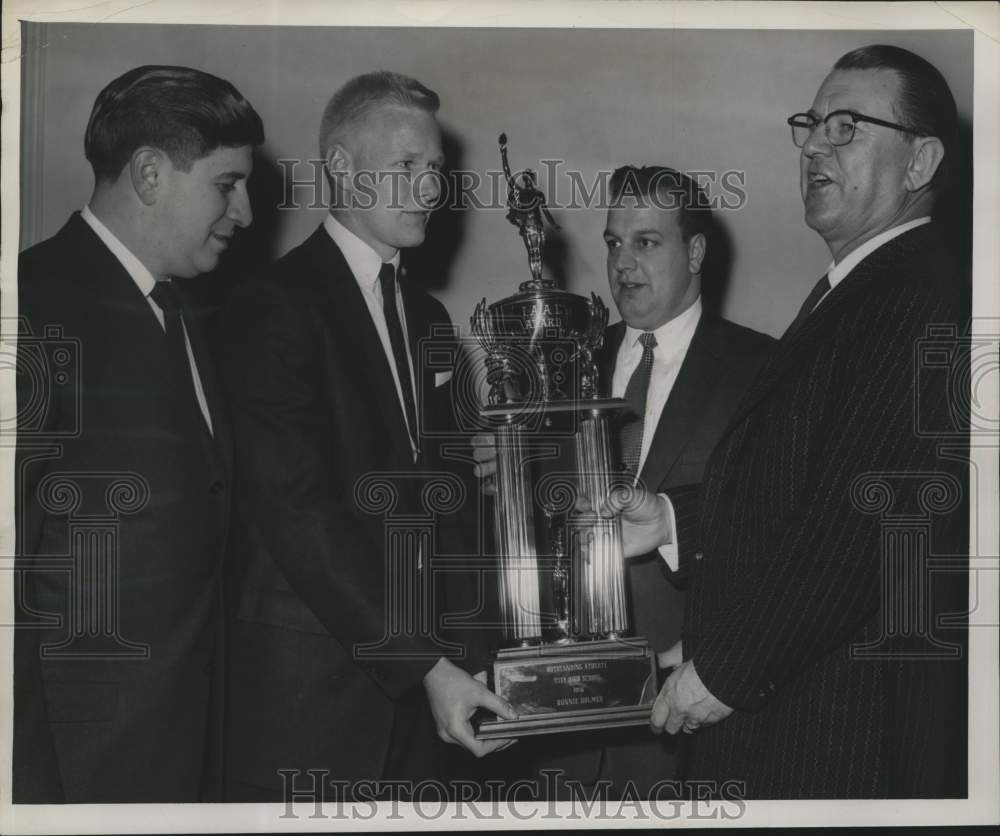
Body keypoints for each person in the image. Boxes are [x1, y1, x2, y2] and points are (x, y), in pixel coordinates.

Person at [608, 44, 969, 798]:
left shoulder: (916, 295)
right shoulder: (859, 288)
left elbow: (862, 525)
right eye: (811, 125)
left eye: (847, 127)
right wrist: (671, 518)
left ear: (919, 162)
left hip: (836, 735)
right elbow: (801, 486)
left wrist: (724, 673)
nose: (813, 147)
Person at [218, 70, 515, 802]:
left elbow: (447, 510)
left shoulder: (428, 316)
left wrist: (481, 661)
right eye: (406, 165)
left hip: (426, 705)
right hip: (310, 702)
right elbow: (299, 514)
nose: (429, 189)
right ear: (343, 168)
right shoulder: (269, 305)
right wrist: (427, 667)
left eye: (435, 168)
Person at [470, 166, 773, 798]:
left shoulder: (763, 369)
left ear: (695, 252)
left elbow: (777, 528)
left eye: (646, 242)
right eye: (613, 243)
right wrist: (505, 466)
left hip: (690, 719)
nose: (623, 263)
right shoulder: (556, 366)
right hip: (560, 729)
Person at [14, 65, 264, 802]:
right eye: (227, 184)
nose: (246, 212)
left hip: (188, 749)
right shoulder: (28, 306)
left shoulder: (192, 310)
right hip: (78, 768)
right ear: (150, 174)